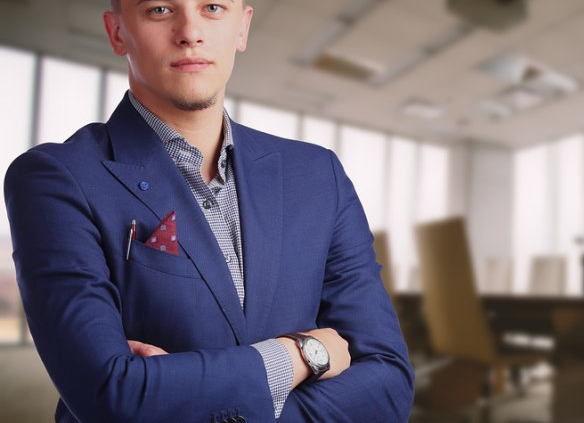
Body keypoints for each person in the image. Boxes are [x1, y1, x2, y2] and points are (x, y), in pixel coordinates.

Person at [3, 0, 413, 421]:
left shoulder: (317, 175)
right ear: (117, 32)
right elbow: (110, 396)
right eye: (160, 9)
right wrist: (302, 354)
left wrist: (178, 394)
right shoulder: (55, 177)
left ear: (242, 28)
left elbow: (389, 386)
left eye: (213, 7)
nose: (190, 32)